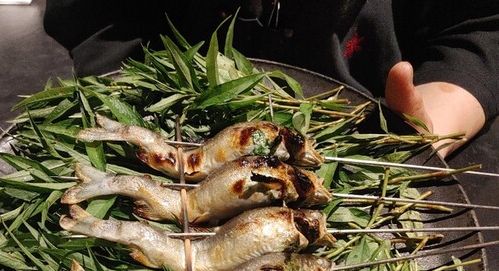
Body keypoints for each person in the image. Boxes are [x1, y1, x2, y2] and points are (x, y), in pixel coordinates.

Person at [43, 0, 499, 156]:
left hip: (366, 141)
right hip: (164, 127)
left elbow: (482, 26)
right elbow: (96, 19)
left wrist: (431, 123)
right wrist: (132, 100)